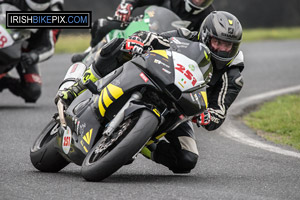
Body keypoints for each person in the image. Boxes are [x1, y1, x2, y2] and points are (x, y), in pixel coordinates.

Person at [58, 11, 244, 173]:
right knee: (118, 46)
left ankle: (138, 143)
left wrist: (209, 116)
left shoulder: (232, 75)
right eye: (217, 42)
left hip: (178, 109)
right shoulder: (187, 36)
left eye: (228, 45)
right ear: (205, 35)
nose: (222, 49)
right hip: (153, 78)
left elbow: (220, 109)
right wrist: (140, 41)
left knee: (187, 159)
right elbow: (158, 38)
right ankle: (77, 87)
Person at [71, 0, 215, 62]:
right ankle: (90, 52)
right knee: (102, 25)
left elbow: (204, 41)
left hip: (170, 48)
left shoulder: (208, 16)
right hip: (145, 26)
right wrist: (128, 4)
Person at [0, 0, 64, 103]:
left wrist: (34, 56)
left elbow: (49, 46)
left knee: (32, 91)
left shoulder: (55, 10)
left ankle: (4, 80)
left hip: (26, 52)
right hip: (4, 39)